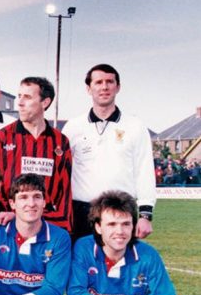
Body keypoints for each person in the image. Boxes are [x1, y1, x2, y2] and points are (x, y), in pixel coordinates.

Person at [62, 64, 156, 240]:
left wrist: (145, 215)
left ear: (117, 87)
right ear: (88, 89)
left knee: (118, 266)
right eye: (98, 82)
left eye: (109, 82)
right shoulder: (73, 127)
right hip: (81, 212)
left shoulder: (135, 126)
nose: (104, 87)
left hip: (121, 211)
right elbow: (61, 173)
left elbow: (144, 171)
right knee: (82, 265)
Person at [0, 77, 73, 233]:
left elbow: (64, 192)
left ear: (45, 102)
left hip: (47, 227)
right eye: (19, 96)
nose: (20, 102)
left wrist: (63, 228)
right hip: (7, 225)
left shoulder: (60, 142)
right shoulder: (2, 138)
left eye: (28, 97)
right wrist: (8, 215)